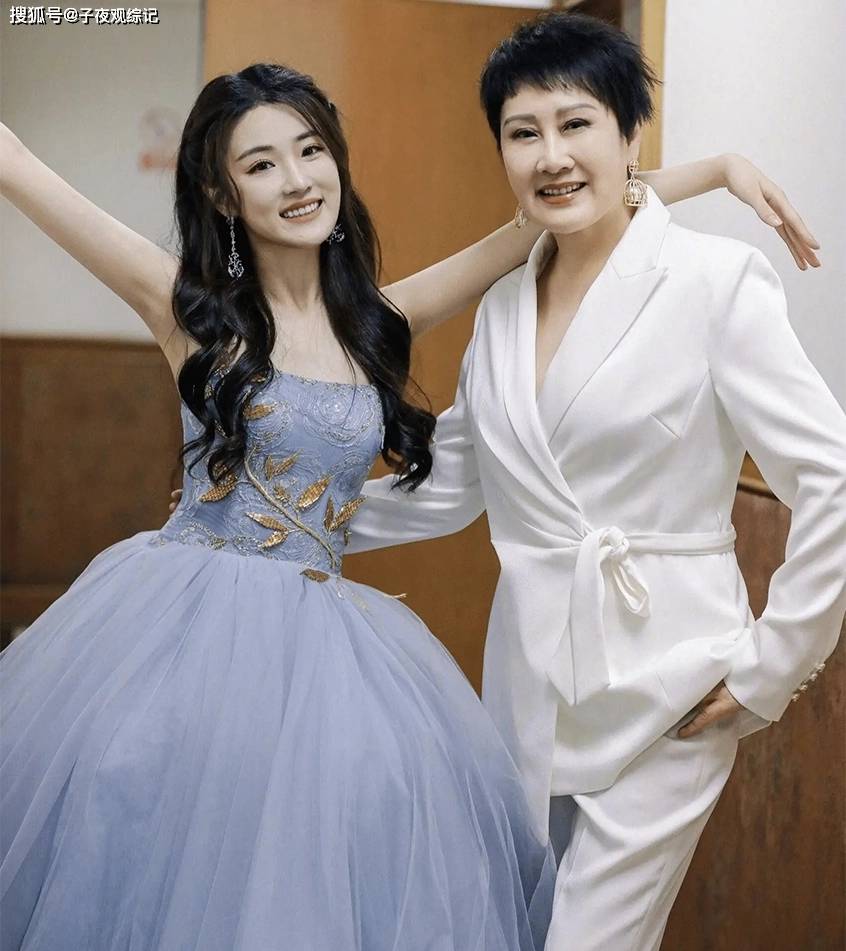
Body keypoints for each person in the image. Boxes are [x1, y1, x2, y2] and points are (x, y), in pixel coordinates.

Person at [0, 51, 817, 951]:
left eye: (311, 150)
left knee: (307, 884)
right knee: (174, 870)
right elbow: (22, 169)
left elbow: (553, 211)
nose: (297, 180)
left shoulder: (376, 323)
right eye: (262, 164)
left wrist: (717, 170)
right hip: (187, 635)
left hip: (322, 647)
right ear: (224, 195)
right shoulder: (188, 310)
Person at [343, 13, 846, 951]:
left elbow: (833, 481)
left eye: (576, 123)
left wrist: (770, 668)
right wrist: (295, 518)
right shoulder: (502, 310)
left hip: (673, 685)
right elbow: (455, 481)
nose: (552, 156)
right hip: (529, 686)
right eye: (522, 132)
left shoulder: (714, 281)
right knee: (520, 929)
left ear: (630, 135)